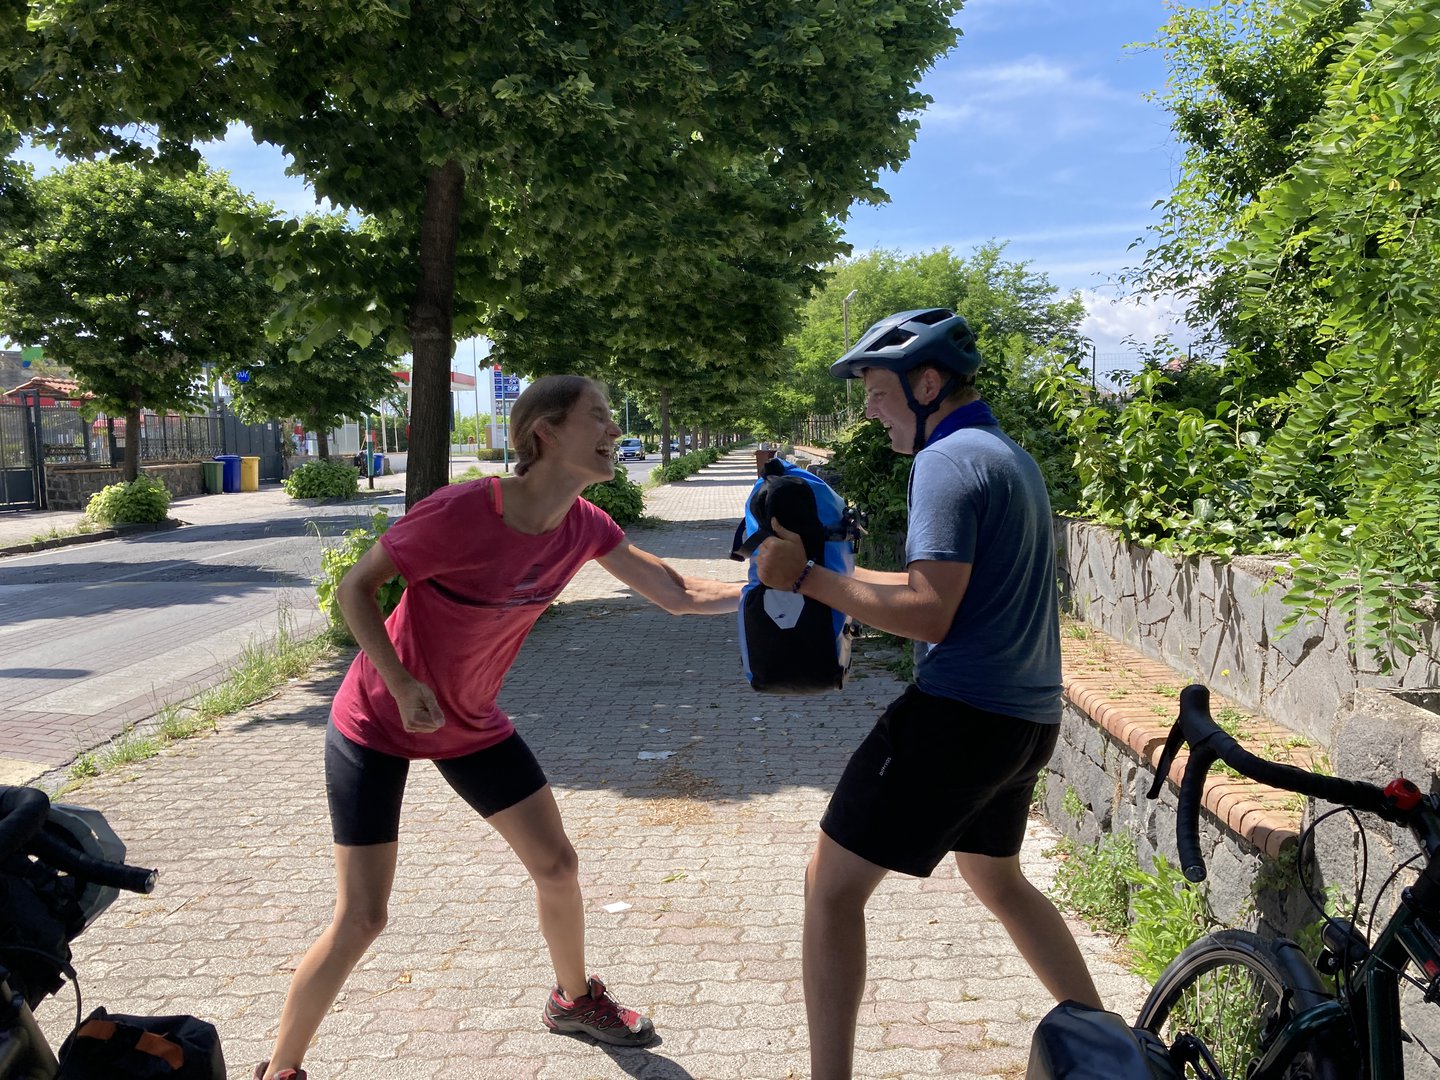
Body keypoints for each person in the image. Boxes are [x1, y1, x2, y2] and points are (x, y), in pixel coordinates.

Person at [254, 375, 742, 1080]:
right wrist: (400, 680)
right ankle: (280, 1070)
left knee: (558, 866)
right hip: (375, 720)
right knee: (363, 917)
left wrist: (788, 589)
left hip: (471, 724)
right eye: (599, 417)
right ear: (543, 431)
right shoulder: (460, 512)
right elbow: (355, 588)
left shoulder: (584, 526)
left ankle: (574, 1000)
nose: (615, 429)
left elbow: (680, 593)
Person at [754, 309, 1102, 1080]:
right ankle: (1113, 1051)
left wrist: (805, 579)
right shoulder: (1004, 455)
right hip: (1023, 720)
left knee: (829, 889)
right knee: (998, 879)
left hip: (957, 718)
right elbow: (933, 587)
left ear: (927, 382)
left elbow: (930, 613)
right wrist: (829, 577)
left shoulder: (943, 464)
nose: (869, 411)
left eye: (876, 393)